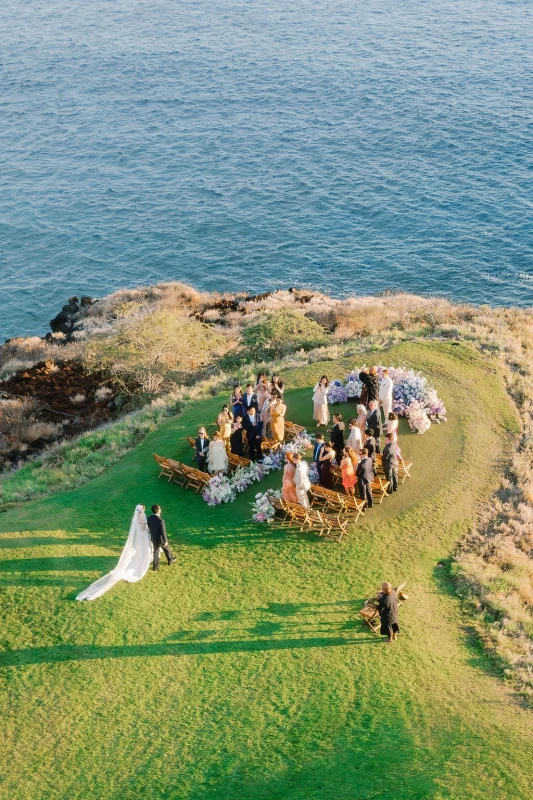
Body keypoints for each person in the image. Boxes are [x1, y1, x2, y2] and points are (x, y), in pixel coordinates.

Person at [76, 504, 152, 600]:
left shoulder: (138, 515)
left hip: (139, 535)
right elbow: (142, 527)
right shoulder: (141, 515)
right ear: (142, 509)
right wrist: (147, 529)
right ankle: (143, 561)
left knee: (139, 550)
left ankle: (140, 558)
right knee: (143, 549)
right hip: (143, 535)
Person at [147, 504, 176, 571]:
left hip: (154, 538)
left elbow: (148, 527)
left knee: (156, 552)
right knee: (167, 549)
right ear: (158, 510)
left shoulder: (149, 518)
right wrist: (165, 540)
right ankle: (170, 560)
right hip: (161, 539)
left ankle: (155, 567)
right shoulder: (161, 520)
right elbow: (163, 531)